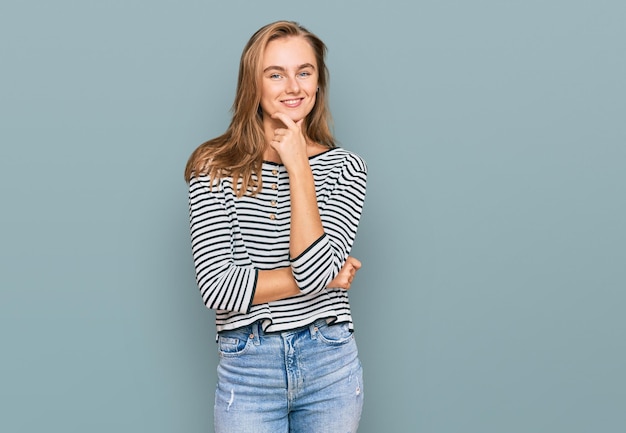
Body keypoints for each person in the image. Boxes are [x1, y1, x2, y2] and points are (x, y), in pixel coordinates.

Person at [184, 20, 367, 433]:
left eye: (305, 72)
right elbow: (218, 289)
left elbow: (313, 271)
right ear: (254, 84)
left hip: (330, 364)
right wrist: (327, 279)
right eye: (276, 74)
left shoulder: (345, 168)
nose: (293, 87)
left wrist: (299, 163)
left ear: (318, 84)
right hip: (249, 368)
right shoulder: (213, 167)